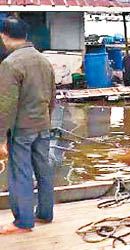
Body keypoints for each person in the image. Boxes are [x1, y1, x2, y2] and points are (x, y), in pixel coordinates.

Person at [0, 17, 56, 234]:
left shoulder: (10, 64)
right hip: (42, 125)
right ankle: (45, 213)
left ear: (4, 36)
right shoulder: (43, 60)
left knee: (20, 173)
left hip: (21, 129)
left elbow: (5, 105)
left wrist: (1, 139)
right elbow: (52, 96)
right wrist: (47, 121)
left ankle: (23, 222)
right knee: (44, 170)